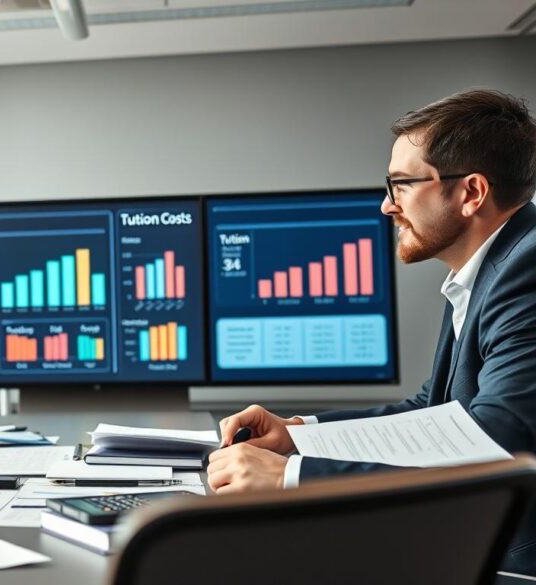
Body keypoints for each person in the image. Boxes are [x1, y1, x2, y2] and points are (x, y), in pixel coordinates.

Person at [207, 89, 536, 573]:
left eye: (400, 185)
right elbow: (432, 412)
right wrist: (298, 437)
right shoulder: (489, 268)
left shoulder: (526, 267)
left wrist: (291, 476)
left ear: (471, 193)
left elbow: (499, 440)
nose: (386, 206)